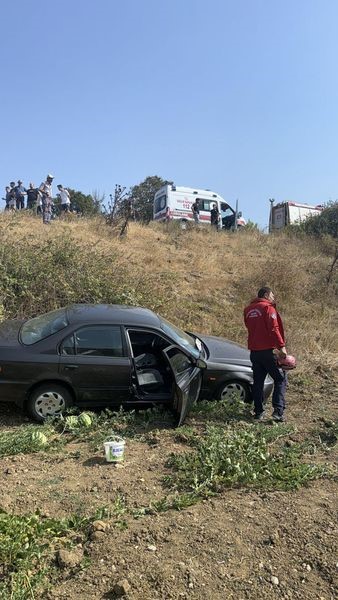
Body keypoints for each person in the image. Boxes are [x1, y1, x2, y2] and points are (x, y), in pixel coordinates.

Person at [244, 286, 288, 422]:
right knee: (280, 379)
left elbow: (249, 327)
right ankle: (278, 412)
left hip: (254, 352)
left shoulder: (247, 310)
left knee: (258, 382)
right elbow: (274, 329)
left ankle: (258, 413)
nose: (273, 298)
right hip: (268, 352)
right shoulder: (268, 308)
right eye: (272, 296)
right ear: (267, 295)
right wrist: (282, 347)